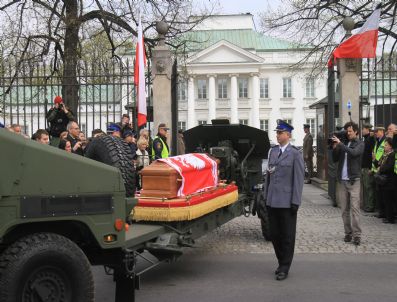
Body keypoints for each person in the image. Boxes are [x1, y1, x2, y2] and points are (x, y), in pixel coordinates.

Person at [265, 120, 304, 281]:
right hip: (273, 200)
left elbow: (299, 179)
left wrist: (296, 201)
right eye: (277, 132)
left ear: (288, 135)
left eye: (280, 133)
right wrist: (266, 197)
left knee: (287, 236)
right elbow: (268, 175)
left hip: (287, 202)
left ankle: (285, 266)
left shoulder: (295, 154)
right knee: (274, 234)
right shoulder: (273, 152)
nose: (277, 135)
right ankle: (281, 261)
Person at [332, 121, 364, 246]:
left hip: (354, 180)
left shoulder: (360, 143)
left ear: (356, 131)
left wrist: (341, 144)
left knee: (355, 209)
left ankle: (357, 235)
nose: (348, 133)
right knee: (344, 210)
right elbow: (335, 159)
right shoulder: (343, 143)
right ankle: (348, 233)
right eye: (347, 131)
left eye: (350, 131)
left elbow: (354, 153)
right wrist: (335, 147)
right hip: (342, 181)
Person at [374, 137, 395, 224]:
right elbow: (378, 164)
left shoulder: (392, 155)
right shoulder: (384, 155)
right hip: (383, 181)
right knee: (384, 199)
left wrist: (381, 169)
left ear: (390, 146)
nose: (384, 147)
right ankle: (385, 215)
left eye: (386, 145)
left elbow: (389, 167)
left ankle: (390, 218)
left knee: (389, 200)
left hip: (389, 181)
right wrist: (375, 160)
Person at [371, 126, 386, 218]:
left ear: (381, 131)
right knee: (378, 193)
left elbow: (383, 155)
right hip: (376, 169)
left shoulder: (385, 141)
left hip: (381, 169)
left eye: (377, 131)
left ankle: (383, 213)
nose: (375, 133)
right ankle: (381, 212)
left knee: (383, 194)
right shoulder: (378, 141)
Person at [361, 123, 375, 212]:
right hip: (364, 166)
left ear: (367, 129)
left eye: (363, 129)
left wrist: (370, 167)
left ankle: (370, 206)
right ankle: (366, 205)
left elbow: (371, 155)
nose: (362, 130)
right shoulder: (366, 139)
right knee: (365, 187)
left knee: (368, 187)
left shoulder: (370, 140)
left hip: (368, 166)